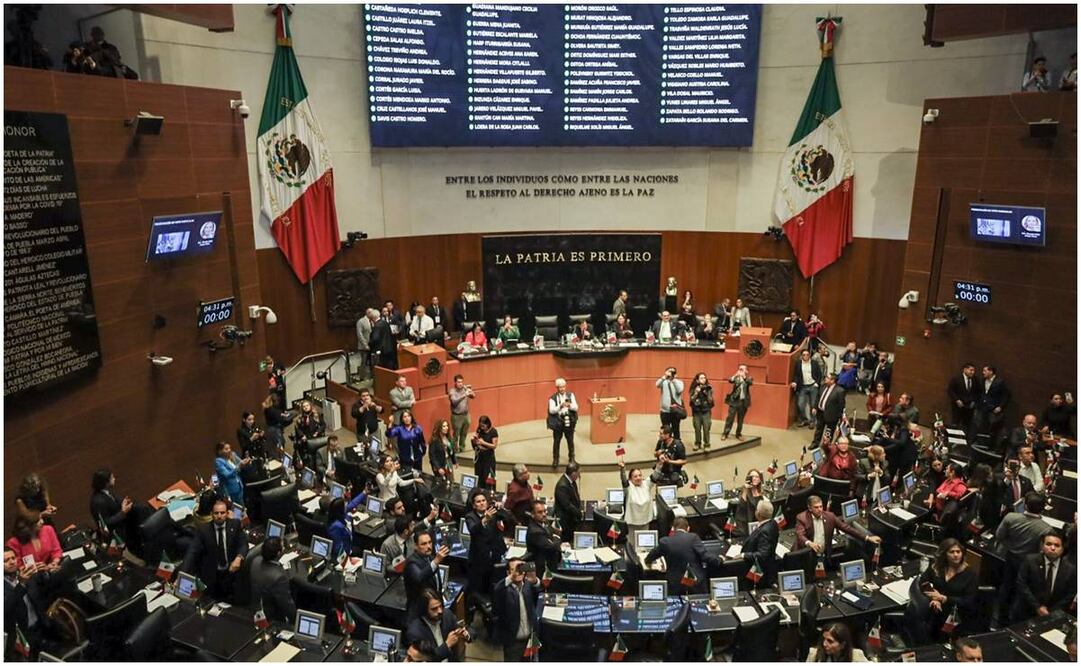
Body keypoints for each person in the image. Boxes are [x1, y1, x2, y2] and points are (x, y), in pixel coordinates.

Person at [994, 492, 1052, 622]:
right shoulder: (1046, 529)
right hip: (1029, 563)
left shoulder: (1010, 517)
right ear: (1043, 508)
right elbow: (1041, 551)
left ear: (1025, 505)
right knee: (1022, 591)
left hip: (1010, 557)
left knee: (1006, 586)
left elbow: (999, 536)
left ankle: (1001, 619)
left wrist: (1011, 546)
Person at [181, 499, 248, 600]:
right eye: (216, 513)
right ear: (212, 514)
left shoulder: (235, 524)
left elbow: (243, 544)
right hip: (212, 574)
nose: (219, 516)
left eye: (222, 513)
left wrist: (238, 558)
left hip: (231, 571)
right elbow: (192, 552)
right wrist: (182, 575)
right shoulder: (204, 530)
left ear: (227, 513)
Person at [914, 538, 976, 640]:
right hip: (935, 610)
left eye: (958, 552)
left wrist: (943, 598)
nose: (956, 555)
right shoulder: (937, 567)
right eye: (952, 552)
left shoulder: (970, 574)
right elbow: (923, 582)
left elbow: (968, 601)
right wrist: (934, 597)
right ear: (944, 554)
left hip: (957, 615)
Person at [1012, 532, 1076, 622]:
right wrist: (1038, 607)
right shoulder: (1030, 560)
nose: (1053, 548)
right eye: (1048, 544)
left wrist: (1052, 612)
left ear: (1062, 549)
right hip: (1026, 611)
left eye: (1057, 545)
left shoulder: (1071, 569)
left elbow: (1070, 593)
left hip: (1053, 616)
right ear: (1042, 546)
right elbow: (1022, 584)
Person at [644, 516, 717, 594]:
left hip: (675, 584)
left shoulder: (665, 541)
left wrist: (648, 561)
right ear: (688, 528)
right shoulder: (693, 537)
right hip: (695, 584)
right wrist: (719, 560)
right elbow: (705, 556)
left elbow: (650, 557)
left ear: (673, 528)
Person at [796, 495, 881, 561]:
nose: (820, 509)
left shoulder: (830, 517)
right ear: (809, 508)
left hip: (824, 554)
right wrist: (810, 543)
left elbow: (847, 528)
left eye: (821, 506)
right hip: (807, 554)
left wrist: (867, 537)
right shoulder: (802, 518)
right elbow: (800, 535)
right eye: (816, 507)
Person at [492, 559, 541, 662]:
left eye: (520, 568)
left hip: (530, 640)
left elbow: (537, 593)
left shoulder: (527, 585)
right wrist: (511, 577)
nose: (518, 572)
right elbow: (496, 591)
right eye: (514, 569)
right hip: (513, 643)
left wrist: (535, 580)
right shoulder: (503, 590)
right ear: (508, 573)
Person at [464, 491, 505, 613]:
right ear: (474, 505)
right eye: (478, 502)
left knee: (493, 585)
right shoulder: (470, 516)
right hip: (479, 559)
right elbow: (473, 530)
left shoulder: (492, 511)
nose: (482, 503)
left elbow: (508, 518)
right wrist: (484, 520)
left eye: (483, 501)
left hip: (494, 556)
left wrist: (501, 508)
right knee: (479, 588)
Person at [406, 588, 471, 661]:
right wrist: (447, 644)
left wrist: (466, 634)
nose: (440, 611)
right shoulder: (415, 632)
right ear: (424, 610)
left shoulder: (447, 615)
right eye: (434, 609)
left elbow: (468, 629)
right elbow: (429, 658)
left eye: (440, 606)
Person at [4, 546, 46, 658]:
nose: (12, 562)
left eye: (13, 558)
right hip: (22, 635)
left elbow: (42, 591)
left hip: (40, 625)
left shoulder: (24, 572)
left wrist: (45, 572)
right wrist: (21, 584)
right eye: (6, 560)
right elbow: (5, 607)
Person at [404, 532, 451, 620]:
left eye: (430, 542)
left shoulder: (430, 557)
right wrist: (436, 561)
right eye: (424, 544)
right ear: (415, 546)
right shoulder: (411, 563)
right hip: (420, 611)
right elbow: (419, 578)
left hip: (435, 605)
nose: (428, 546)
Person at [250, 537, 296, 623]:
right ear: (279, 553)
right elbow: (286, 605)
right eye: (282, 547)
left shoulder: (255, 561)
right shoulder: (279, 577)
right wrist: (295, 620)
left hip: (256, 607)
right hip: (271, 617)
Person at [740, 501, 780, 587]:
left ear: (758, 513)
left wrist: (743, 555)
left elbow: (762, 555)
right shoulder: (773, 523)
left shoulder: (765, 530)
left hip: (760, 571)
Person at [973, 365, 1010, 446]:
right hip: (982, 408)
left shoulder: (1000, 382)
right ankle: (981, 443)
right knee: (980, 426)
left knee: (993, 428)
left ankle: (991, 445)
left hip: (994, 409)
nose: (983, 373)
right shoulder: (982, 381)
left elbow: (1006, 395)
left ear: (991, 372)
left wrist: (1000, 406)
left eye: (985, 371)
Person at [547, 378, 579, 466]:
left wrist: (570, 405)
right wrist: (560, 406)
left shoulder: (570, 395)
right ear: (557, 388)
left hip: (569, 420)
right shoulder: (552, 398)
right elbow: (551, 411)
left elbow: (576, 407)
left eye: (563, 387)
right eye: (560, 387)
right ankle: (556, 459)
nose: (562, 389)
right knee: (557, 441)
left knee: (570, 440)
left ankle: (572, 458)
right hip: (558, 422)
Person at [618, 459, 655, 534]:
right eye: (635, 476)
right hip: (632, 524)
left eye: (640, 475)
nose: (638, 478)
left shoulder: (646, 484)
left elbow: (655, 476)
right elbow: (624, 480)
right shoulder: (629, 487)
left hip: (645, 522)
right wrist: (622, 469)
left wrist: (660, 464)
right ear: (631, 479)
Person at [525, 500, 562, 573]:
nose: (544, 514)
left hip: (552, 561)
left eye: (545, 511)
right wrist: (557, 536)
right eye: (540, 512)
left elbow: (552, 534)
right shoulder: (535, 531)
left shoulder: (543, 522)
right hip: (543, 568)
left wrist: (553, 538)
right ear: (532, 514)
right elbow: (551, 547)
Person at [327, 495, 367, 559]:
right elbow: (338, 548)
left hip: (351, 541)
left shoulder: (341, 513)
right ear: (341, 509)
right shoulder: (336, 527)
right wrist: (346, 562)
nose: (347, 505)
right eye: (345, 504)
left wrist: (364, 493)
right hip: (347, 552)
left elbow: (352, 504)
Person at [812, 373, 846, 447]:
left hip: (831, 415)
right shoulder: (823, 386)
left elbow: (841, 405)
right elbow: (818, 397)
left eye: (827, 378)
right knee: (819, 429)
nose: (825, 379)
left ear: (832, 380)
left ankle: (826, 446)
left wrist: (839, 417)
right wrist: (815, 407)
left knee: (829, 432)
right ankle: (815, 443)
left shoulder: (840, 391)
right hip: (820, 412)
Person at [791, 349, 822, 428]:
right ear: (802, 356)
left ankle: (812, 421)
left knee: (813, 405)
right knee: (800, 404)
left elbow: (819, 374)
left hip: (813, 385)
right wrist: (795, 382)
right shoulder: (798, 364)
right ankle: (804, 420)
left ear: (809, 355)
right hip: (803, 386)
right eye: (804, 355)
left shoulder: (814, 363)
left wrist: (816, 383)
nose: (806, 356)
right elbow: (796, 375)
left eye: (807, 354)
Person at [722, 364, 753, 441]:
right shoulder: (736, 378)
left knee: (740, 419)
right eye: (740, 369)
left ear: (746, 371)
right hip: (734, 401)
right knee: (730, 418)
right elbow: (730, 380)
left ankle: (738, 434)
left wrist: (744, 377)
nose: (741, 370)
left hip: (743, 402)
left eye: (743, 369)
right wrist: (736, 374)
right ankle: (725, 433)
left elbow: (750, 383)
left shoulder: (749, 378)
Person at [947, 363, 979, 433]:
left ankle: (965, 441)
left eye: (973, 371)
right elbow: (950, 390)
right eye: (971, 370)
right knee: (955, 423)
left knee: (967, 425)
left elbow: (977, 392)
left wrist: (974, 401)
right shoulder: (956, 378)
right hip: (958, 406)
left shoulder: (975, 380)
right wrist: (957, 400)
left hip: (969, 407)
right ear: (965, 369)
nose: (972, 372)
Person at [554, 463, 583, 537]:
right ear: (573, 473)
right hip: (565, 522)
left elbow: (576, 498)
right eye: (578, 473)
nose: (579, 475)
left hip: (571, 519)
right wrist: (579, 513)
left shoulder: (571, 482)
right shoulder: (562, 486)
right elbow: (567, 505)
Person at [656, 366, 685, 439]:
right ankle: (666, 446)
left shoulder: (679, 382)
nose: (671, 373)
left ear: (676, 374)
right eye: (669, 371)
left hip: (675, 411)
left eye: (673, 372)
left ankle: (677, 446)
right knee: (666, 430)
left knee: (676, 429)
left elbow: (679, 390)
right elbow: (657, 385)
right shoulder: (664, 382)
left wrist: (673, 380)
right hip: (665, 411)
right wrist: (664, 377)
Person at [448, 375, 475, 453]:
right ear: (455, 382)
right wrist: (464, 395)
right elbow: (454, 401)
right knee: (456, 434)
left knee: (464, 432)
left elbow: (473, 396)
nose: (460, 384)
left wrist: (470, 390)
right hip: (456, 416)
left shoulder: (465, 389)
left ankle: (462, 446)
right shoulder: (452, 391)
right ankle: (455, 450)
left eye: (461, 382)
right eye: (458, 382)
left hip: (466, 415)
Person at [689, 372, 715, 451]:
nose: (703, 379)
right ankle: (697, 443)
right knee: (697, 428)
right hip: (697, 411)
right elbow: (692, 400)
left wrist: (707, 393)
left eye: (704, 378)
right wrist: (696, 392)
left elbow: (711, 401)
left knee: (706, 428)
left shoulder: (709, 388)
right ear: (697, 380)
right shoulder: (693, 388)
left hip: (706, 411)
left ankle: (707, 444)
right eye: (701, 378)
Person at [471, 416, 499, 485]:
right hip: (480, 458)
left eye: (483, 426)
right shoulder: (479, 430)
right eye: (480, 426)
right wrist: (474, 441)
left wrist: (483, 443)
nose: (482, 427)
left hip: (488, 459)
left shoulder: (493, 431)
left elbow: (494, 446)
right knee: (479, 477)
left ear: (488, 424)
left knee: (488, 478)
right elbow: (477, 442)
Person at [736, 469, 765, 533]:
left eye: (757, 477)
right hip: (749, 524)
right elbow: (741, 507)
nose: (754, 478)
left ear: (760, 479)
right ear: (748, 478)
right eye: (752, 477)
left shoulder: (762, 492)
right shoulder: (745, 491)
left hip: (762, 522)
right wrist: (745, 490)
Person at [356, 308, 378, 379]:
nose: (373, 315)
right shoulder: (361, 321)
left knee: (372, 362)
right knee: (364, 362)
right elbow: (359, 335)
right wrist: (365, 345)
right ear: (368, 313)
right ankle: (362, 377)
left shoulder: (373, 321)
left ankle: (372, 376)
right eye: (371, 313)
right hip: (364, 347)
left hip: (372, 346)